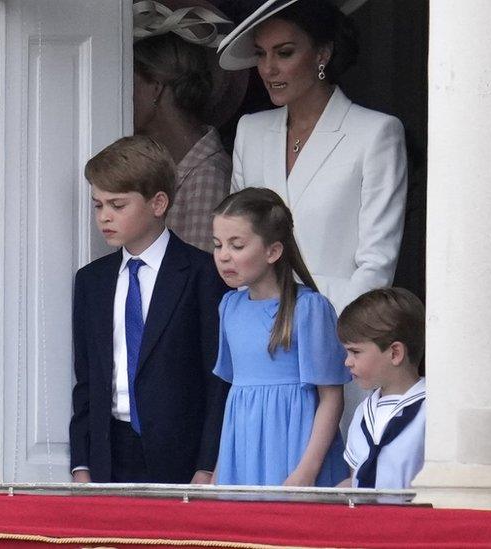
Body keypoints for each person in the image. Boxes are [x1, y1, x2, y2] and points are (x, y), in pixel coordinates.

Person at [217, 0, 407, 315]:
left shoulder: (375, 133)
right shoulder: (250, 131)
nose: (268, 68)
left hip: (337, 329)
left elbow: (376, 265)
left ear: (322, 54)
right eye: (261, 53)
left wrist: (321, 324)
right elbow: (235, 238)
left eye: (284, 52)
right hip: (257, 327)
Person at [68, 135, 230, 484]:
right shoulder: (91, 282)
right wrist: (81, 463)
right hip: (109, 450)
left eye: (118, 205)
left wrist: (207, 464)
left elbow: (216, 379)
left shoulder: (202, 274)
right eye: (98, 205)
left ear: (158, 203)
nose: (104, 217)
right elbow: (87, 378)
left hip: (180, 454)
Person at [211, 187, 349, 486]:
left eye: (237, 245)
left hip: (295, 449)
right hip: (244, 452)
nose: (223, 256)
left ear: (273, 251)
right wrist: (221, 471)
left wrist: (307, 470)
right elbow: (236, 397)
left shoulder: (309, 308)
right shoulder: (229, 307)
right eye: (218, 244)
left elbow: (331, 397)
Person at [132, 0, 246, 252]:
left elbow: (196, 282)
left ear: (155, 88)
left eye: (131, 81)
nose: (122, 93)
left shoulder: (207, 178)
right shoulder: (174, 168)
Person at [336, 287, 426, 489]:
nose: (347, 362)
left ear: (395, 353)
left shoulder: (430, 412)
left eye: (355, 352)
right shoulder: (362, 413)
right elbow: (356, 477)